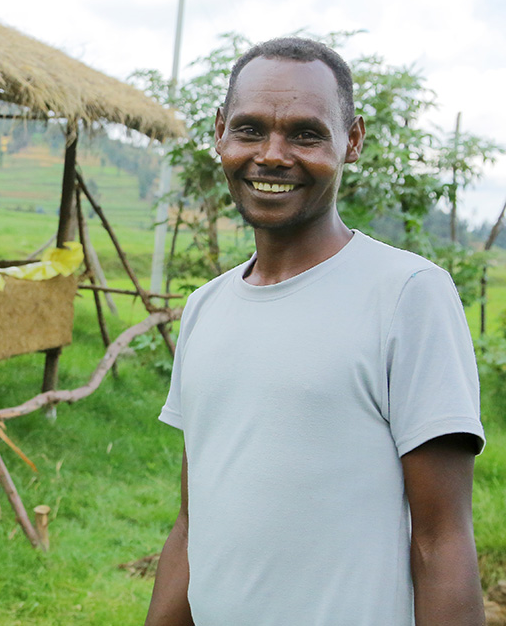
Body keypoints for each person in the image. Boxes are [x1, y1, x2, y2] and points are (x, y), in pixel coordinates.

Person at [145, 37, 485, 626]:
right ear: (221, 132)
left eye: (306, 133)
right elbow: (192, 526)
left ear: (351, 140)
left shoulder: (406, 295)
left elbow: (442, 542)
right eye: (250, 129)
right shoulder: (204, 309)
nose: (273, 155)